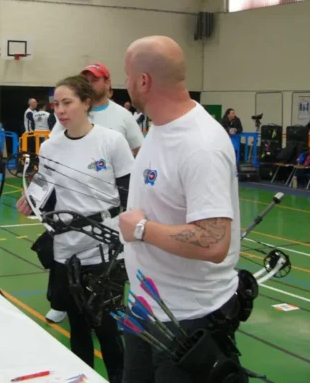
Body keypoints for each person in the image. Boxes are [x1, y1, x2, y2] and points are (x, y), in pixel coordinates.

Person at [118, 36, 242, 382]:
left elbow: (214, 241)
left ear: (144, 81)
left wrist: (141, 230)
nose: (125, 83)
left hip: (188, 320)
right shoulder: (160, 128)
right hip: (147, 309)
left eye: (128, 75)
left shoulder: (199, 145)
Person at [17, 75, 134, 383]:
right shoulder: (50, 146)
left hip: (105, 248)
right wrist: (30, 199)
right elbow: (45, 190)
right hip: (66, 249)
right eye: (56, 104)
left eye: (67, 103)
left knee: (107, 327)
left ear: (86, 103)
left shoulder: (111, 141)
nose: (60, 110)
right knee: (78, 326)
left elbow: (129, 192)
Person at [50, 63, 143, 156]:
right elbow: (53, 144)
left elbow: (139, 149)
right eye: (86, 81)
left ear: (107, 83)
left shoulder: (124, 115)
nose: (89, 84)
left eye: (94, 80)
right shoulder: (74, 114)